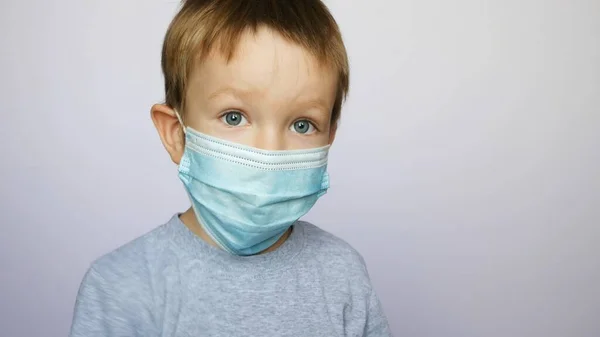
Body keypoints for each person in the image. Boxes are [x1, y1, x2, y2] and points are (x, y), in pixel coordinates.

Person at [69, 1, 392, 336]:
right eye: (234, 117)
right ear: (176, 135)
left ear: (329, 139)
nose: (268, 153)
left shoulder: (342, 274)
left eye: (302, 125)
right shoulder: (123, 287)